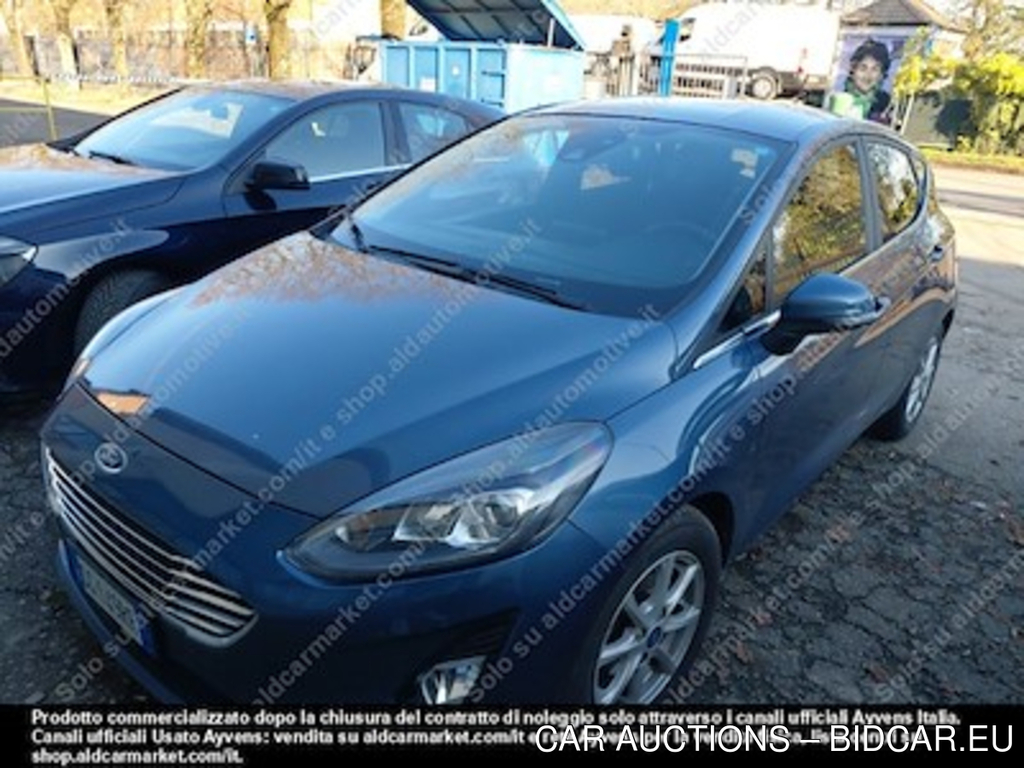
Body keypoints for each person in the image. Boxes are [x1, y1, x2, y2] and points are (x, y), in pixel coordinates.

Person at [844, 39, 892, 124]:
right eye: (863, 68)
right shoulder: (840, 99)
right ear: (853, 70)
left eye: (875, 69)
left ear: (881, 75)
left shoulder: (887, 105)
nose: (868, 75)